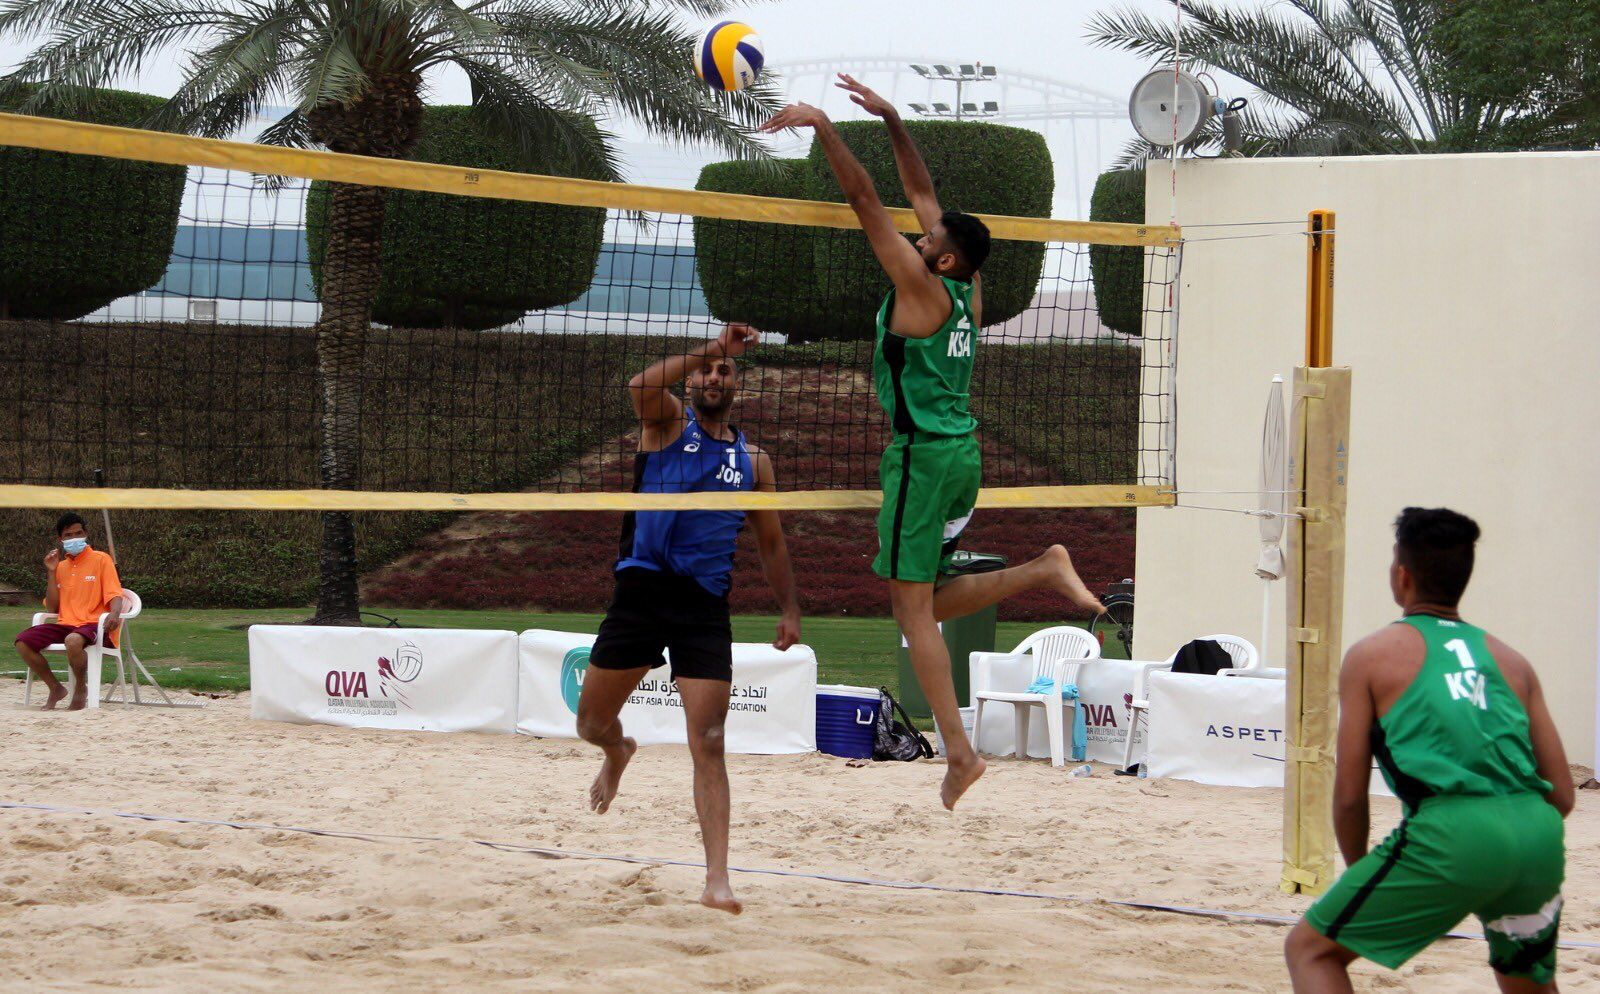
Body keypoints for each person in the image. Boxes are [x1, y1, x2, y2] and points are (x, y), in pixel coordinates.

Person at [760, 77, 1106, 810]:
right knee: (933, 598)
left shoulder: (920, 291)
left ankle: (958, 753)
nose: (918, 238)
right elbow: (923, 195)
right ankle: (1044, 567)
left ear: (943, 261)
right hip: (961, 461)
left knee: (911, 609)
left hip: (922, 457)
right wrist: (890, 119)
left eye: (928, 242)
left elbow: (864, 204)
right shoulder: (969, 294)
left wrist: (824, 126)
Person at [1285, 508, 1572, 993]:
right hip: (1538, 838)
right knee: (1527, 985)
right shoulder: (1512, 660)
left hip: (1454, 836)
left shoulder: (1372, 655)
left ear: (1401, 576)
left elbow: (1350, 795)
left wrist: (1364, 874)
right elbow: (1562, 793)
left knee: (1311, 951)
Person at [576, 322, 801, 915]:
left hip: (703, 604)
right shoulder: (666, 424)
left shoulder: (752, 460)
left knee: (709, 739)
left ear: (736, 387)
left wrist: (789, 607)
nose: (714, 377)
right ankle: (618, 750)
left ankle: (717, 881)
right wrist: (712, 348)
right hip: (641, 593)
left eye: (725, 371)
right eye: (706, 370)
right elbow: (639, 384)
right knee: (591, 723)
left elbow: (772, 544)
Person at [15, 512, 126, 711]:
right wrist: (51, 571)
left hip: (94, 625)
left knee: (73, 641)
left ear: (86, 534)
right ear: (61, 539)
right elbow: (52, 608)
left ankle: (80, 687)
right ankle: (55, 688)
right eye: (69, 535)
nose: (75, 538)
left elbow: (115, 594)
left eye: (79, 533)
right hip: (66, 624)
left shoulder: (102, 559)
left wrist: (115, 613)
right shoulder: (60, 567)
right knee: (22, 642)